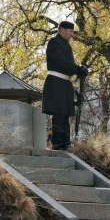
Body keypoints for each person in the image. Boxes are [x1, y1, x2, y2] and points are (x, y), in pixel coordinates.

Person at [42, 20, 88, 150]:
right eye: (69, 31)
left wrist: (79, 70)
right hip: (56, 82)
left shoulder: (66, 45)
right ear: (61, 30)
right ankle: (58, 143)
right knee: (59, 113)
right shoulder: (54, 43)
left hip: (64, 83)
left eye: (72, 32)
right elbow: (61, 62)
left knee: (65, 114)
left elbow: (68, 66)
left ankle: (65, 142)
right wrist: (77, 68)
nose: (71, 34)